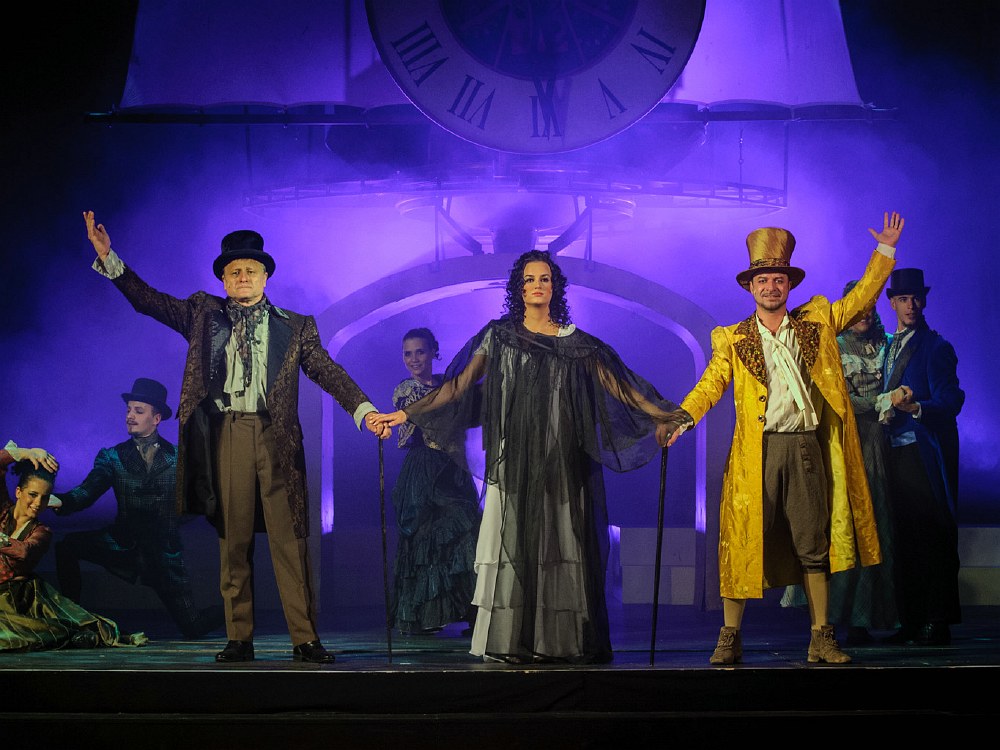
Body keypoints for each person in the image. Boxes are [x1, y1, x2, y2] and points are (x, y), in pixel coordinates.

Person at [82, 210, 390, 664]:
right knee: (234, 539)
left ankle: (305, 638)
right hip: (226, 433)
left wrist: (365, 411)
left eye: (250, 270)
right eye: (234, 271)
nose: (243, 277)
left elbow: (328, 371)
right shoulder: (202, 314)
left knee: (290, 540)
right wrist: (111, 260)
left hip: (276, 437)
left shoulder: (295, 325)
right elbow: (149, 302)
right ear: (224, 280)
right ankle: (239, 637)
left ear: (265, 276)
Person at [375, 250, 687, 664]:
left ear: (554, 286)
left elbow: (620, 386)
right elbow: (456, 386)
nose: (536, 285)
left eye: (544, 278)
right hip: (516, 459)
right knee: (516, 544)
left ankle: (560, 642)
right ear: (518, 288)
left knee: (561, 545)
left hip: (562, 457)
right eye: (528, 279)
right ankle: (514, 640)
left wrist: (665, 414)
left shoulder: (578, 344)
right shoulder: (499, 336)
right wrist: (405, 414)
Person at [665, 211, 905, 665]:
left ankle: (821, 637)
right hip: (755, 453)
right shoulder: (733, 338)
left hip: (804, 446)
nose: (771, 287)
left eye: (778, 279)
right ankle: (729, 637)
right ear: (750, 287)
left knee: (814, 544)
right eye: (763, 280)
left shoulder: (816, 322)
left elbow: (862, 299)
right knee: (742, 542)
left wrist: (885, 249)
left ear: (788, 285)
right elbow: (711, 385)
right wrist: (683, 417)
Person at [51, 377, 224, 640]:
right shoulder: (112, 457)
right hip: (123, 545)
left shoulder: (178, 458)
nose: (130, 416)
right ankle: (72, 618)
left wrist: (172, 521)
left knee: (193, 627)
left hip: (163, 555)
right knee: (67, 547)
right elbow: (87, 492)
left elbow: (198, 501)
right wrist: (61, 501)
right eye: (129, 410)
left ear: (156, 418)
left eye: (138, 411)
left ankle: (234, 612)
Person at [780, 282, 899, 644]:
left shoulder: (888, 344)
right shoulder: (833, 345)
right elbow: (834, 396)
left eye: (870, 306)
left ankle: (868, 616)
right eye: (858, 307)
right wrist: (879, 403)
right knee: (842, 523)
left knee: (876, 525)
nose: (865, 314)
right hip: (843, 440)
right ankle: (829, 617)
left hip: (879, 445)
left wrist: (894, 402)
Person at [877, 268, 964, 646]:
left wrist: (916, 408)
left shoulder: (936, 346)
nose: (910, 305)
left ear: (924, 301)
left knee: (932, 535)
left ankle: (936, 619)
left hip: (922, 452)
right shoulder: (886, 346)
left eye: (915, 298)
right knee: (903, 538)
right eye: (903, 299)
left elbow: (952, 400)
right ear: (892, 303)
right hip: (892, 455)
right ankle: (910, 620)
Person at [1, 445, 147, 651]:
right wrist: (27, 453)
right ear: (18, 492)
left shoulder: (41, 531)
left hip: (15, 598)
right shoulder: (2, 511)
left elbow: (24, 551)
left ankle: (71, 635)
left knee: (17, 630)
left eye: (45, 497)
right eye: (32, 494)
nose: (38, 503)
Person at [389, 327, 480, 636]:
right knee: (425, 539)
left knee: (465, 535)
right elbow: (429, 417)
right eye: (408, 353)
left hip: (453, 468)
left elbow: (469, 411)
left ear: (433, 352)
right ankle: (422, 616)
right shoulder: (406, 390)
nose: (414, 359)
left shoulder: (448, 384)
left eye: (420, 352)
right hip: (424, 469)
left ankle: (474, 615)